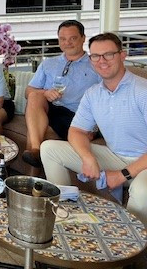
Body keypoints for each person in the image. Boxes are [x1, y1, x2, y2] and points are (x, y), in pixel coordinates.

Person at [41, 33, 147, 224]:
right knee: (49, 149)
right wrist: (87, 157)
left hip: (144, 163)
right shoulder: (93, 94)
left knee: (142, 190)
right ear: (90, 60)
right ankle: (64, 217)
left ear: (122, 55)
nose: (102, 61)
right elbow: (77, 131)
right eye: (96, 56)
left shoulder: (142, 91)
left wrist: (123, 174)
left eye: (108, 55)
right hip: (116, 157)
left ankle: (133, 246)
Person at [22, 20, 101, 167]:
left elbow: (106, 96)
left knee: (36, 130)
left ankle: (32, 164)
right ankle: (35, 150)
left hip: (76, 117)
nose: (67, 43)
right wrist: (45, 93)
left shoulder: (95, 65)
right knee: (35, 96)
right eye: (63, 39)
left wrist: (94, 126)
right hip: (49, 111)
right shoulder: (48, 63)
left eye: (73, 38)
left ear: (83, 38)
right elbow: (28, 91)